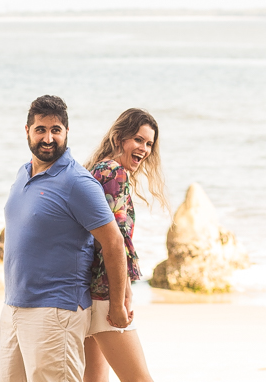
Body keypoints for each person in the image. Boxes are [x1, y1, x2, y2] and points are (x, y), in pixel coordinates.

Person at [0, 95, 132, 382]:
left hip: (56, 312)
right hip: (14, 307)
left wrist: (118, 304)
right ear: (27, 131)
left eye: (55, 130)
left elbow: (113, 243)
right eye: (41, 130)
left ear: (66, 133)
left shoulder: (78, 183)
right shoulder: (23, 174)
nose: (48, 138)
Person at [82, 108, 169, 382]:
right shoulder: (114, 173)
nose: (144, 149)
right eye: (138, 140)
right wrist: (119, 300)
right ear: (120, 138)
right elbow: (113, 243)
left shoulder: (98, 170)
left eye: (149, 144)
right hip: (105, 292)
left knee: (94, 379)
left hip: (89, 291)